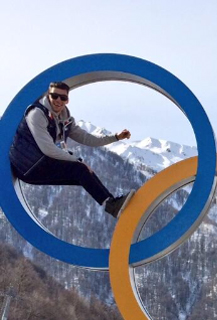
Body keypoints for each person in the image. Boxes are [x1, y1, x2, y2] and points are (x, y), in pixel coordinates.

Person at [9, 81, 134, 218]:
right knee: (79, 169)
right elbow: (48, 149)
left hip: (41, 162)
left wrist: (115, 137)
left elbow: (88, 139)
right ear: (48, 96)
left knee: (83, 174)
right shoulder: (37, 114)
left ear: (67, 100)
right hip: (28, 166)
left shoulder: (65, 119)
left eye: (63, 98)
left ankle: (113, 204)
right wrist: (78, 160)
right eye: (54, 96)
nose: (58, 100)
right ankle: (111, 205)